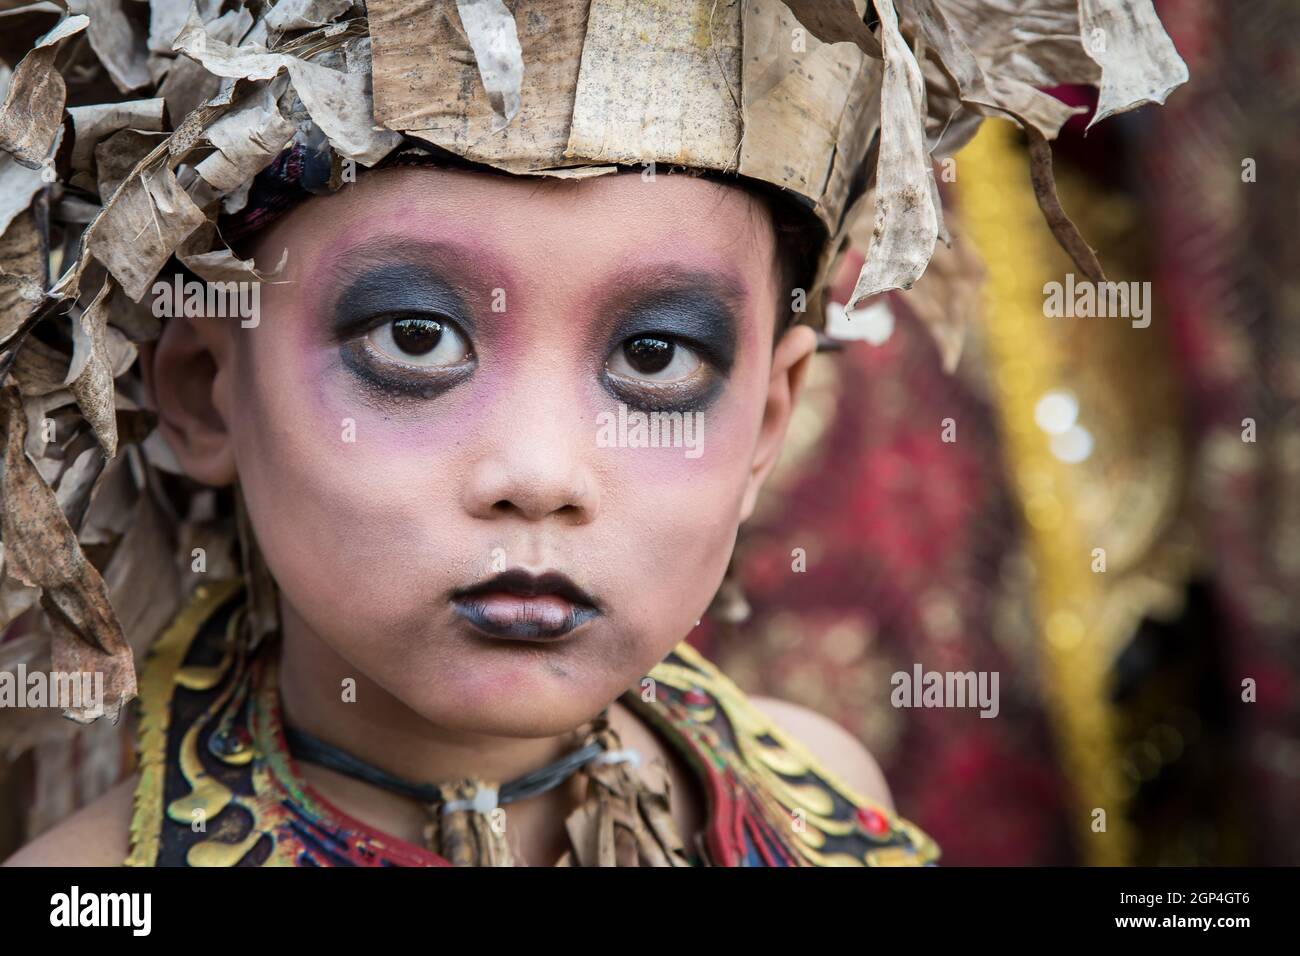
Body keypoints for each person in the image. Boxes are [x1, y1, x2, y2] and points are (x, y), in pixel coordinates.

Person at [0, 0, 1185, 866]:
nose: (541, 475)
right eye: (415, 340)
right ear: (205, 390)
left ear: (768, 417)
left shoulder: (817, 789)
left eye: (655, 356)